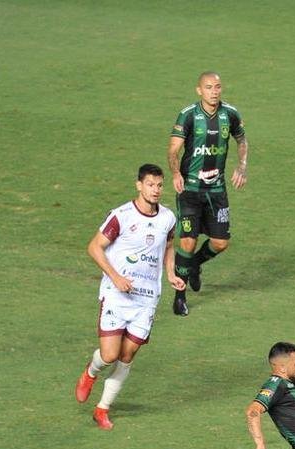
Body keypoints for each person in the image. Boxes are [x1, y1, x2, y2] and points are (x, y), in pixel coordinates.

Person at [74, 164, 180, 430]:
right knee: (110, 355)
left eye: (159, 185)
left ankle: (102, 409)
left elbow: (168, 246)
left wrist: (170, 274)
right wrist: (115, 277)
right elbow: (94, 247)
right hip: (117, 296)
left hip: (146, 299)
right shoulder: (120, 216)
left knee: (128, 355)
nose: (155, 190)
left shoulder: (168, 218)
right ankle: (90, 372)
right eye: (150, 184)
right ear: (139, 185)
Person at [167, 71, 248, 315]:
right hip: (190, 189)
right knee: (188, 242)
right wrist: (175, 173)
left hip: (216, 190)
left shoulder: (230, 114)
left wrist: (242, 165)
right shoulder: (188, 115)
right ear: (199, 90)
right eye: (209, 87)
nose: (214, 91)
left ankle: (194, 265)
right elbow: (173, 150)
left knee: (221, 243)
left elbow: (242, 140)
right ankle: (180, 297)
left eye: (218, 87)